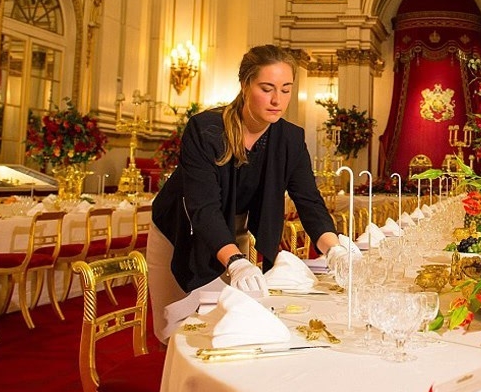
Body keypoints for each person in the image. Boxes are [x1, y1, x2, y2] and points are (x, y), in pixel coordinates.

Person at [147, 44, 345, 343]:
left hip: (230, 231)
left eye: (286, 89)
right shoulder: (206, 129)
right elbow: (203, 208)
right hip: (181, 228)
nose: (278, 100)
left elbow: (309, 201)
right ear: (245, 84)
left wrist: (334, 249)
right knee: (182, 332)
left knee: (232, 324)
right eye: (267, 88)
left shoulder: (290, 138)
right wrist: (236, 261)